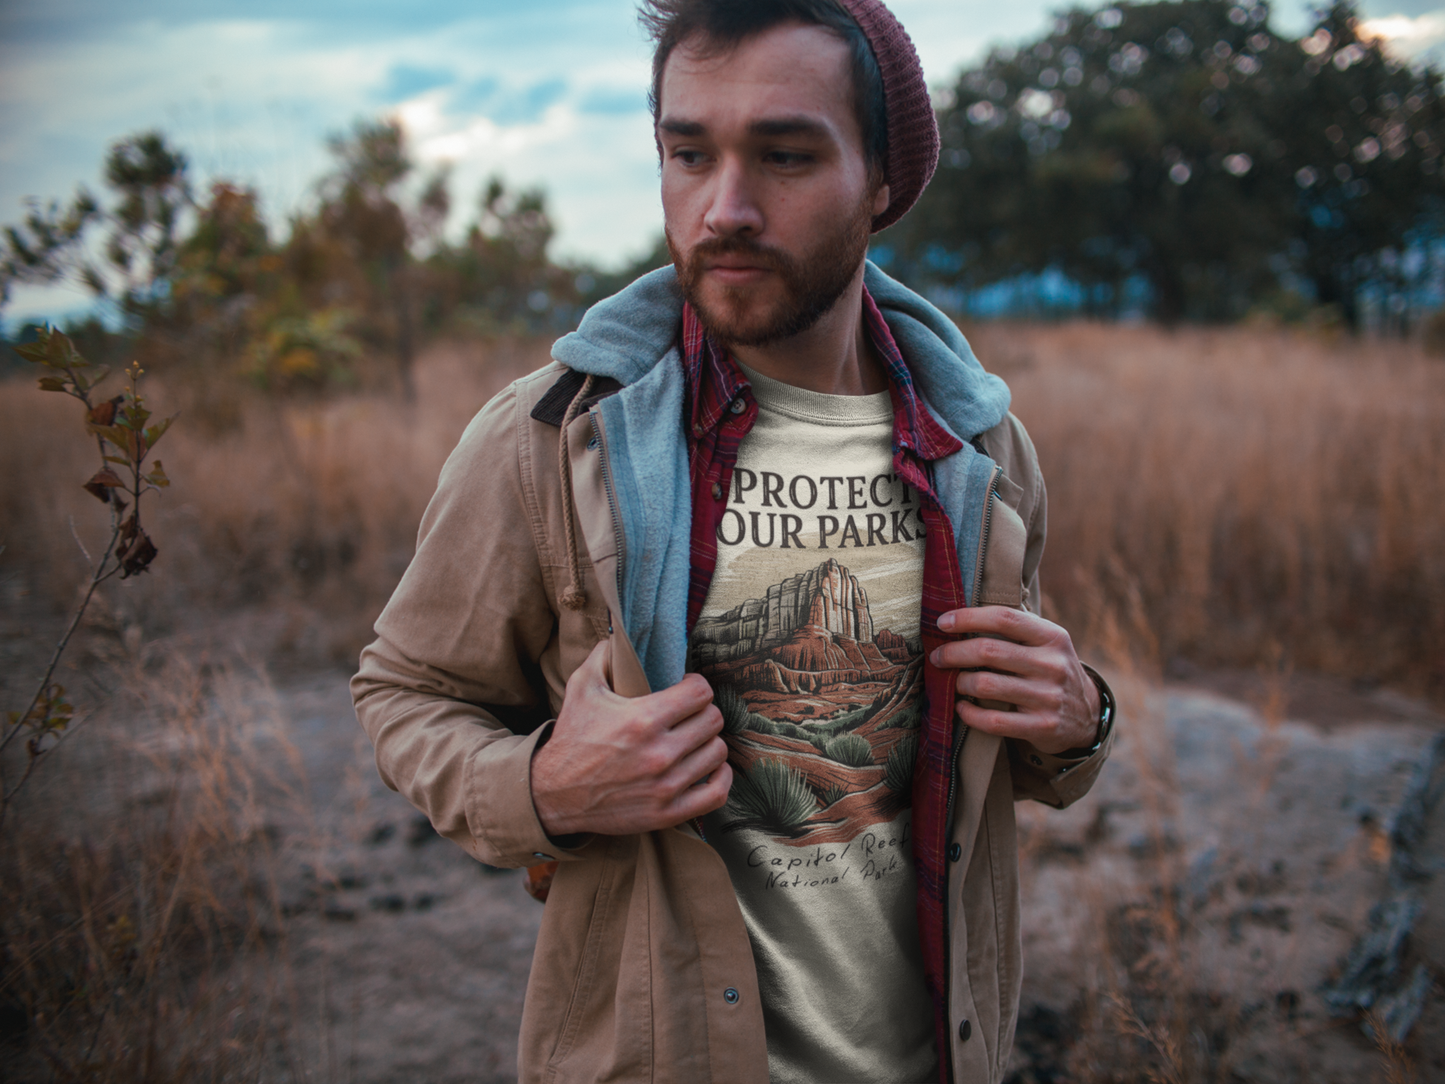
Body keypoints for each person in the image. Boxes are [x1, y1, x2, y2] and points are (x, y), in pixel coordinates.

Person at [352, 1, 1115, 1081]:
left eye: (786, 155)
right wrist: (543, 791)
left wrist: (1077, 721)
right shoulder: (551, 438)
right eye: (687, 152)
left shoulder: (976, 445)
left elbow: (1010, 760)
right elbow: (402, 689)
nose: (725, 208)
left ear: (880, 180)